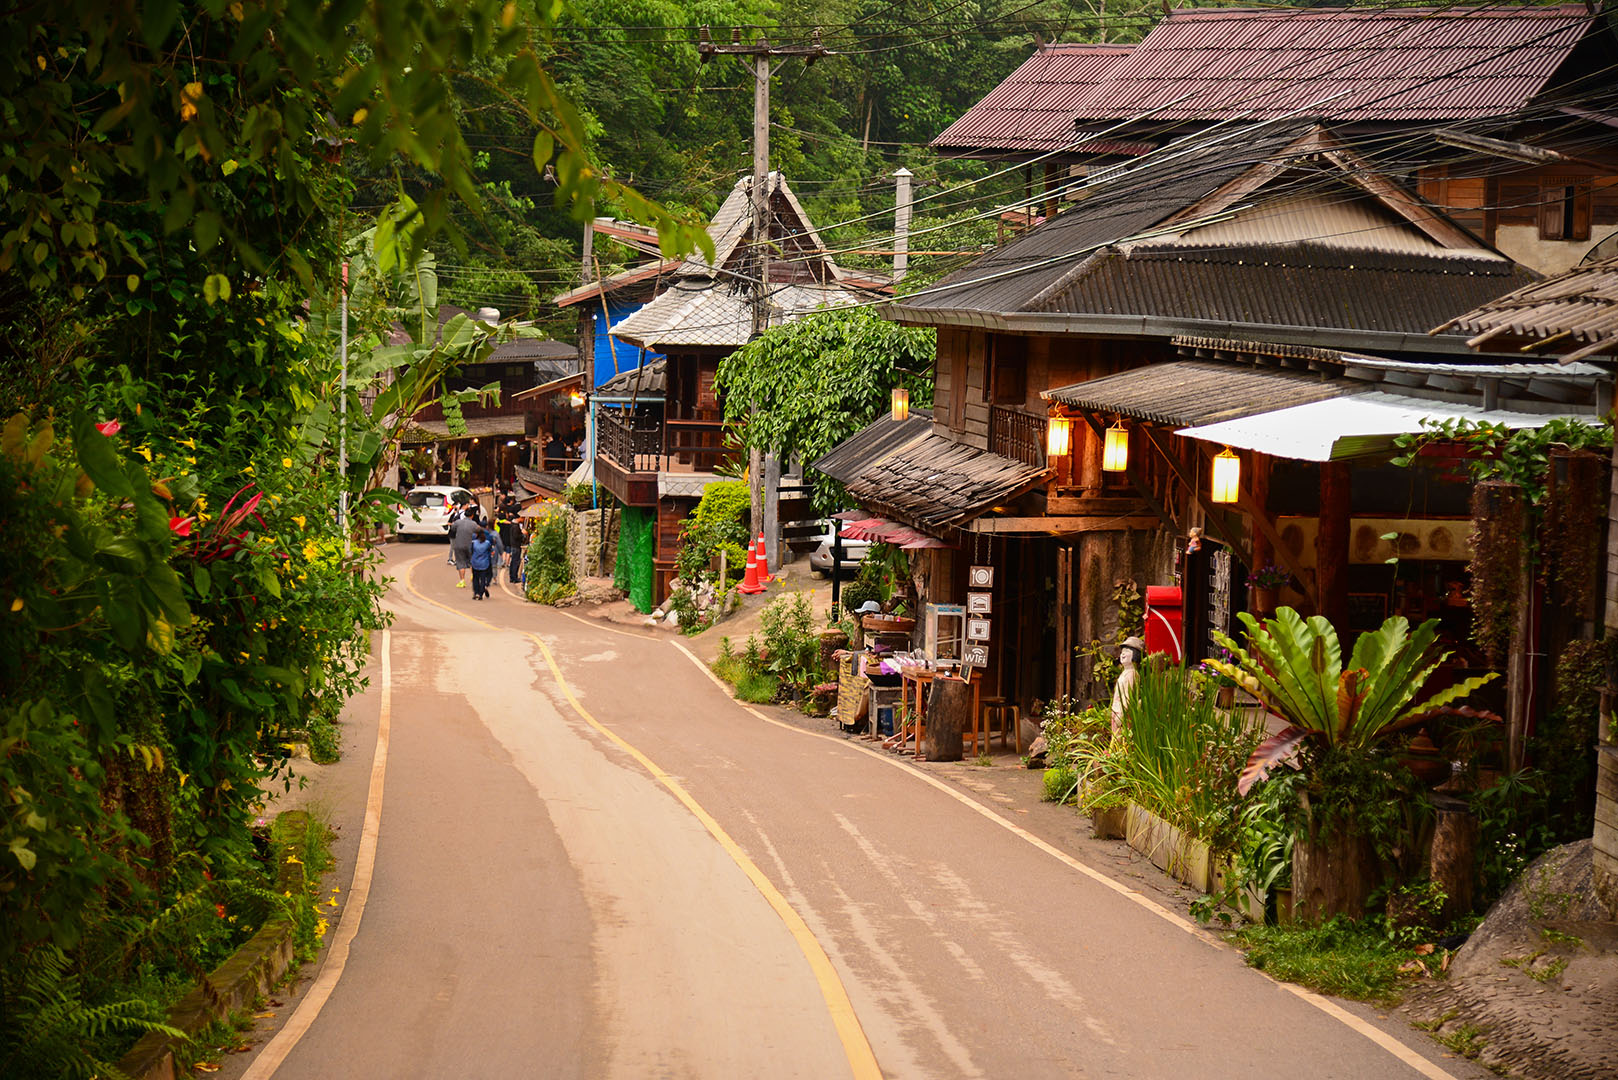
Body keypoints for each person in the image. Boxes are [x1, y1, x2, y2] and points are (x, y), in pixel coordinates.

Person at [1110, 635, 1144, 737]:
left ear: (1135, 655)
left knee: (1121, 738)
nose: (1122, 654)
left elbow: (1127, 696)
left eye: (1127, 652)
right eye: (1122, 652)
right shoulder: (1125, 672)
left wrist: (1122, 714)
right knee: (1116, 738)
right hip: (1116, 710)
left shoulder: (1132, 674)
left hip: (1122, 713)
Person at [449, 505, 482, 588]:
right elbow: (480, 530)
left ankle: (462, 581)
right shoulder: (473, 524)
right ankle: (473, 576)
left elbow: (452, 528)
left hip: (458, 545)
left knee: (460, 563)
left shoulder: (458, 522)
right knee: (471, 562)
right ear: (472, 515)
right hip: (470, 545)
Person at [468, 525, 505, 600]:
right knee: (483, 579)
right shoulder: (487, 543)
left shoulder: (473, 543)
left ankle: (476, 593)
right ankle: (481, 594)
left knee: (475, 579)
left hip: (475, 563)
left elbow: (470, 551)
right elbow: (491, 551)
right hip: (484, 563)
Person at [498, 496, 525, 584]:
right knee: (515, 562)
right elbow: (517, 536)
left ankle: (513, 577)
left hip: (514, 545)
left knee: (514, 561)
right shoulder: (515, 526)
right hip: (515, 545)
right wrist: (523, 534)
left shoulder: (512, 524)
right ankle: (513, 577)